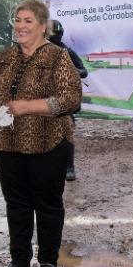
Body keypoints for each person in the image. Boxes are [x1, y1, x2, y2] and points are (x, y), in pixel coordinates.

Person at [0, 0, 82, 267]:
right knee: (17, 205)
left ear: (43, 27)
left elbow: (71, 99)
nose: (20, 26)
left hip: (49, 143)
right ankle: (19, 260)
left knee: (48, 205)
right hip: (8, 143)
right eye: (18, 20)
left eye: (28, 21)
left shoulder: (58, 57)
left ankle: (48, 262)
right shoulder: (6, 58)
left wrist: (29, 106)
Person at [49, 19, 88, 181]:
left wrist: (70, 71)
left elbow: (84, 71)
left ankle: (69, 167)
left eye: (55, 35)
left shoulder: (68, 52)